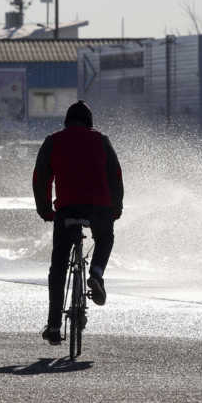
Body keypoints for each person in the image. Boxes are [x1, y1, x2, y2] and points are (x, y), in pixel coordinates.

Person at [32, 100, 124, 345]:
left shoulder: (53, 141)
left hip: (66, 209)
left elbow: (41, 177)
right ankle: (96, 273)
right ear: (89, 122)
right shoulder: (102, 141)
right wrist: (115, 209)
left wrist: (45, 210)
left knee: (59, 265)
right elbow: (115, 175)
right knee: (105, 237)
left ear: (66, 121)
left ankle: (53, 324)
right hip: (99, 208)